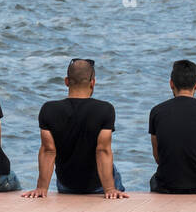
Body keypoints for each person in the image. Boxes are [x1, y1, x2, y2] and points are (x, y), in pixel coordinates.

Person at [24, 58, 128, 198]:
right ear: (93, 82)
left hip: (67, 185)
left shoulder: (48, 109)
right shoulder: (105, 109)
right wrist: (109, 189)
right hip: (98, 186)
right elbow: (102, 150)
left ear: (66, 81)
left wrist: (41, 188)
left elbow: (48, 150)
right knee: (113, 169)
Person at [148, 59, 196, 194]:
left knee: (154, 179)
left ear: (171, 84)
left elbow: (158, 156)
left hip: (166, 185)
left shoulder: (157, 112)